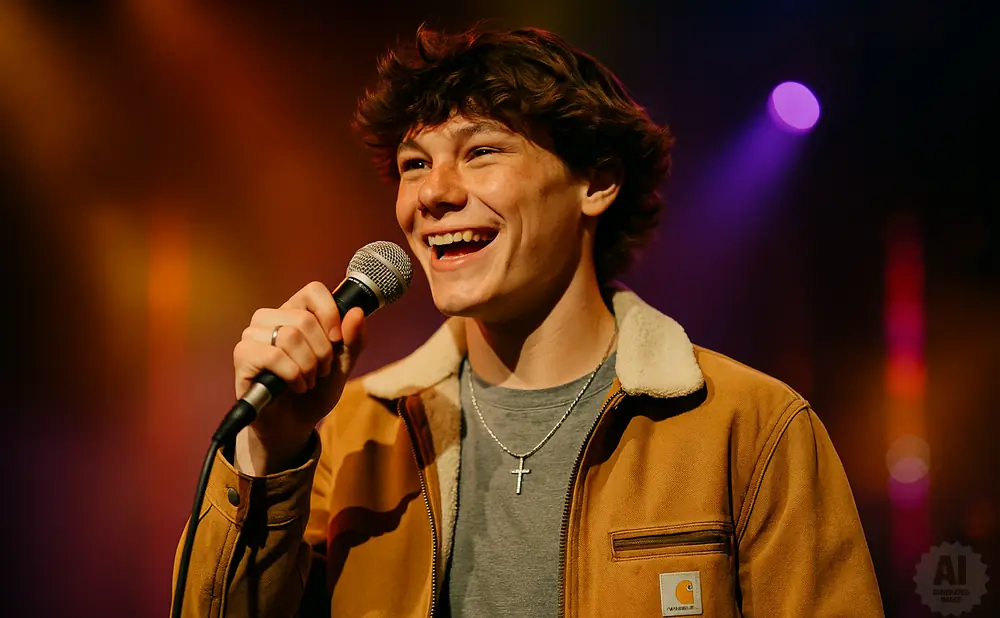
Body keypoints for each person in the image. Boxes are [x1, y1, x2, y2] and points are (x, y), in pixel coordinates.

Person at [173, 25, 884, 617]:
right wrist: (271, 452)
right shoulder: (353, 432)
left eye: (481, 152)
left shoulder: (750, 426)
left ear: (597, 182)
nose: (434, 194)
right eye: (414, 164)